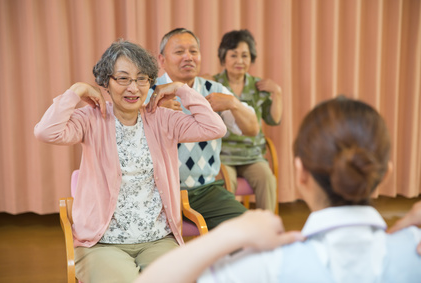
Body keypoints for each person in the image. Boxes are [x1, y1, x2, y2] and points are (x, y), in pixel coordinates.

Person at [135, 96, 421, 283]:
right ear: (386, 174)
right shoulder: (414, 250)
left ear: (300, 173)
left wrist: (231, 234)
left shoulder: (267, 266)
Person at [34, 39, 227, 283]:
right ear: (106, 81)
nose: (133, 88)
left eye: (141, 78)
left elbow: (215, 127)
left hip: (157, 239)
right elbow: (45, 132)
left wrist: (180, 89)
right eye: (123, 78)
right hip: (102, 243)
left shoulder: (162, 118)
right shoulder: (92, 118)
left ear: (150, 82)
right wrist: (76, 91)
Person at [147, 28, 260, 229]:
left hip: (205, 191)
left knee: (250, 229)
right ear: (162, 60)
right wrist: (151, 113)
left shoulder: (214, 91)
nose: (188, 57)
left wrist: (234, 103)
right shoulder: (148, 92)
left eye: (193, 51)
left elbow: (252, 129)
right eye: (180, 52)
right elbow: (123, 136)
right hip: (154, 192)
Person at [213, 29, 283, 212]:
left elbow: (273, 120)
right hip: (223, 155)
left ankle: (264, 234)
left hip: (252, 155)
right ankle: (233, 234)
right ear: (223, 58)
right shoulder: (213, 85)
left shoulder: (259, 86)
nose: (239, 61)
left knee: (267, 179)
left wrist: (278, 93)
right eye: (233, 55)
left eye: (245, 55)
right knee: (225, 185)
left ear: (251, 59)